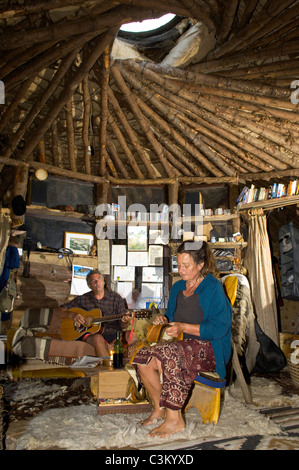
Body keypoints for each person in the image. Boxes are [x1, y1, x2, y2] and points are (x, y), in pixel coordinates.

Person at [132, 240, 232, 438]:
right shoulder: (178, 287)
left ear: (201, 264)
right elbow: (172, 318)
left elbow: (220, 327)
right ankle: (160, 407)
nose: (182, 269)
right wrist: (164, 320)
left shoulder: (213, 287)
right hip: (184, 345)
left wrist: (184, 327)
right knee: (143, 356)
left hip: (211, 348)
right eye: (179, 265)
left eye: (187, 265)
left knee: (170, 353)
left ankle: (174, 420)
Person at [56, 269, 130, 356]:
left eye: (99, 279)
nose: (97, 282)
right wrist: (73, 315)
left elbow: (123, 326)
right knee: (97, 338)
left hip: (112, 333)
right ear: (89, 285)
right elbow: (57, 311)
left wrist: (125, 321)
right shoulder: (83, 299)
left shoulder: (116, 298)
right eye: (93, 281)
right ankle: (107, 367)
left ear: (103, 282)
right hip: (91, 334)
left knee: (132, 335)